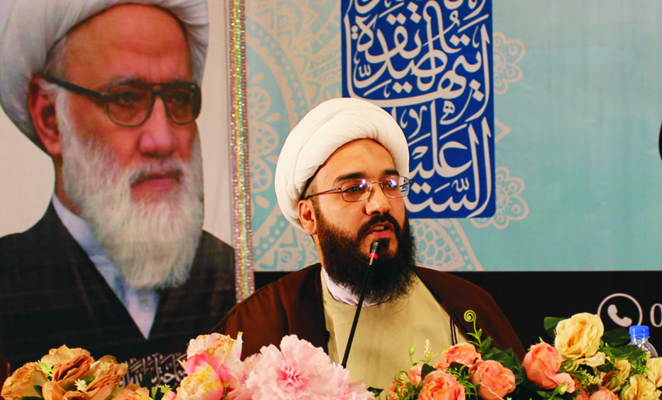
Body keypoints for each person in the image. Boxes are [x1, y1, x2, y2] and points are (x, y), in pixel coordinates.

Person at [216, 97, 525, 389]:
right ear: (309, 215)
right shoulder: (262, 323)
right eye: (353, 188)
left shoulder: (467, 304)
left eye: (390, 184)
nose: (381, 204)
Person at [0, 0, 236, 372]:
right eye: (125, 98)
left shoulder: (234, 278)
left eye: (178, 98)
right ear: (50, 118)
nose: (162, 139)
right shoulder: (9, 283)